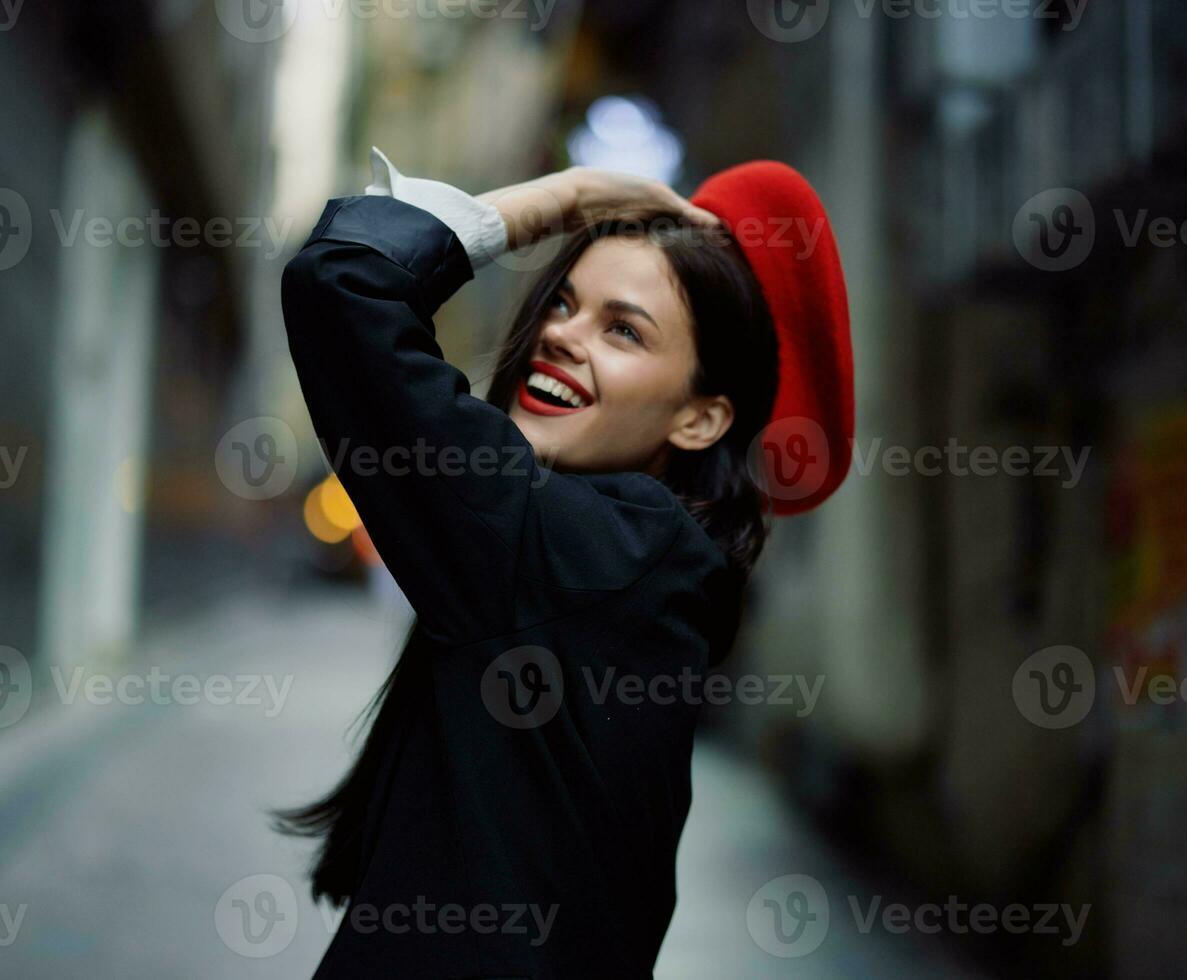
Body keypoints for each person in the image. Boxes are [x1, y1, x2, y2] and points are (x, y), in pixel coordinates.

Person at [275, 146, 853, 978]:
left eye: (623, 330)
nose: (558, 334)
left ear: (700, 420)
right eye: (564, 302)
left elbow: (344, 284)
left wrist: (561, 199)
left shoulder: (588, 553)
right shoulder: (643, 571)